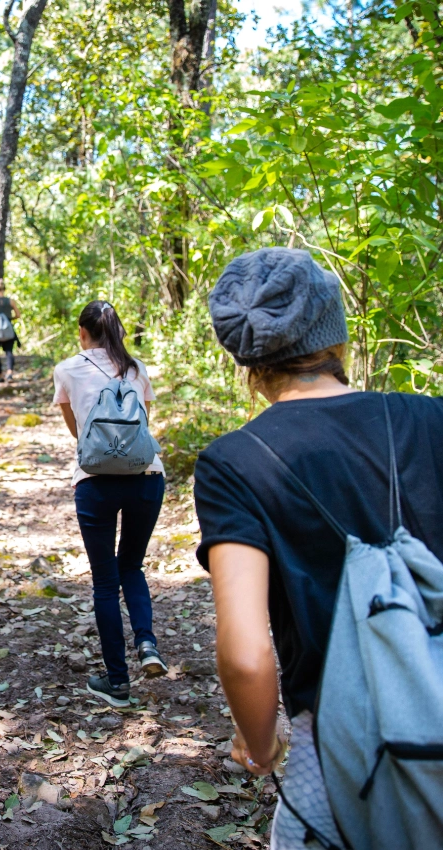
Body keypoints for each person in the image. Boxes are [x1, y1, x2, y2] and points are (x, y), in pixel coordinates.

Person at [193, 247, 443, 848]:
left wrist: (262, 744)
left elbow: (247, 654)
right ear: (337, 336)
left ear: (246, 358)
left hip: (337, 741)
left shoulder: (233, 463)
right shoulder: (430, 421)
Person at [53, 300, 167, 708]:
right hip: (147, 477)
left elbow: (78, 433)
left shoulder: (66, 369)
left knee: (105, 582)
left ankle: (118, 682)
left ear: (82, 333)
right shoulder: (137, 369)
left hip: (95, 482)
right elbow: (144, 425)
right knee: (132, 565)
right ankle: (148, 644)